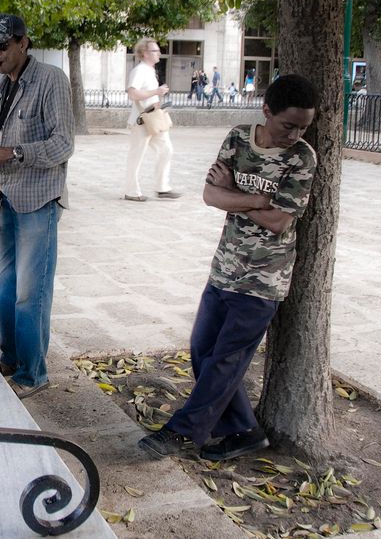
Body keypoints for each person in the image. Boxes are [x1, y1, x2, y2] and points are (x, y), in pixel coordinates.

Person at [136, 74, 318, 462]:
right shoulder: (238, 137)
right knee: (203, 352)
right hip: (225, 267)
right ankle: (245, 432)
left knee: (226, 360)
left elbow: (279, 222)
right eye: (289, 125)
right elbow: (209, 194)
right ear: (266, 110)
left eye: (304, 126)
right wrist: (257, 197)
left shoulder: (302, 158)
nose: (296, 133)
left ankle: (183, 433)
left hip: (264, 279)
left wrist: (235, 196)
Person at [0, 13, 74, 399]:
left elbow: (63, 145)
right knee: (4, 286)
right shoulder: (0, 86)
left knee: (32, 292)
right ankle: (11, 358)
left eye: (1, 45)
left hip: (39, 200)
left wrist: (9, 153)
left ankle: (34, 374)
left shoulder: (51, 81)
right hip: (8, 197)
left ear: (23, 43)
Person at [123, 37, 181, 203]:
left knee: (166, 150)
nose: (159, 53)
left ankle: (162, 187)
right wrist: (156, 91)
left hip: (154, 118)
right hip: (142, 120)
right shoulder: (140, 70)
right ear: (145, 53)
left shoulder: (149, 71)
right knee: (136, 156)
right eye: (155, 51)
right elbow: (133, 93)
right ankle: (131, 191)